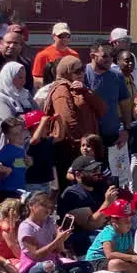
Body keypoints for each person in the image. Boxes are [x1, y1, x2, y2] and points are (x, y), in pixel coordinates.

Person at [46, 56, 106, 186]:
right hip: (71, 148)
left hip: (86, 146)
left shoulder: (80, 89)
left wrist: (86, 91)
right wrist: (83, 144)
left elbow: (102, 109)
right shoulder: (61, 90)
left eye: (83, 69)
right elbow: (67, 120)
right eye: (77, 71)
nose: (81, 74)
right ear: (66, 72)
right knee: (75, 185)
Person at [18, 191, 93, 273]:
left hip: (55, 264)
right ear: (31, 205)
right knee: (48, 267)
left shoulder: (49, 222)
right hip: (34, 267)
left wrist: (61, 240)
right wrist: (57, 240)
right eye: (44, 205)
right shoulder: (26, 227)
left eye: (50, 207)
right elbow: (36, 256)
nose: (48, 209)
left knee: (86, 266)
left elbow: (58, 250)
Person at [58, 155, 117, 255]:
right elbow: (90, 225)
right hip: (80, 238)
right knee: (106, 239)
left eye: (98, 169)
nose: (97, 173)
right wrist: (107, 203)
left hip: (101, 230)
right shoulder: (73, 194)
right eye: (93, 170)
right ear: (78, 174)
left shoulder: (99, 187)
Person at [84, 39, 132, 146]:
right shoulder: (82, 74)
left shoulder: (117, 76)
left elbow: (125, 105)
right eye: (105, 56)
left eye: (111, 55)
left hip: (113, 137)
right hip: (89, 138)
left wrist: (126, 130)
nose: (110, 59)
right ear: (93, 56)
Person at [32, 22, 80, 90]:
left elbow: (78, 75)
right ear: (53, 36)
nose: (65, 38)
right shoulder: (42, 55)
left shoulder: (74, 55)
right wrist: (52, 86)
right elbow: (36, 78)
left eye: (68, 36)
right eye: (61, 36)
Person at [0, 60, 35, 134]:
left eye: (25, 78)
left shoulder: (26, 94)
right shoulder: (0, 98)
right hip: (12, 141)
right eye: (20, 77)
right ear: (9, 77)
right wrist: (29, 117)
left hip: (31, 139)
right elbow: (8, 122)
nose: (24, 81)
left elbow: (38, 112)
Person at [0, 116, 30, 200]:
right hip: (8, 191)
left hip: (20, 189)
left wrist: (26, 163)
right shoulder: (8, 149)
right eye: (15, 134)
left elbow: (15, 165)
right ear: (7, 136)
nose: (20, 135)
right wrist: (5, 169)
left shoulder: (21, 149)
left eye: (21, 132)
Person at [23, 110, 55, 194]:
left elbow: (60, 136)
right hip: (32, 182)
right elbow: (34, 139)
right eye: (45, 125)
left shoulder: (46, 140)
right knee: (35, 204)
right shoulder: (28, 141)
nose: (48, 128)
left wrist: (59, 120)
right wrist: (42, 122)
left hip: (45, 181)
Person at [108, 28, 137, 93]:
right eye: (125, 41)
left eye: (129, 41)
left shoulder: (132, 56)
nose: (128, 43)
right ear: (115, 43)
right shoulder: (107, 60)